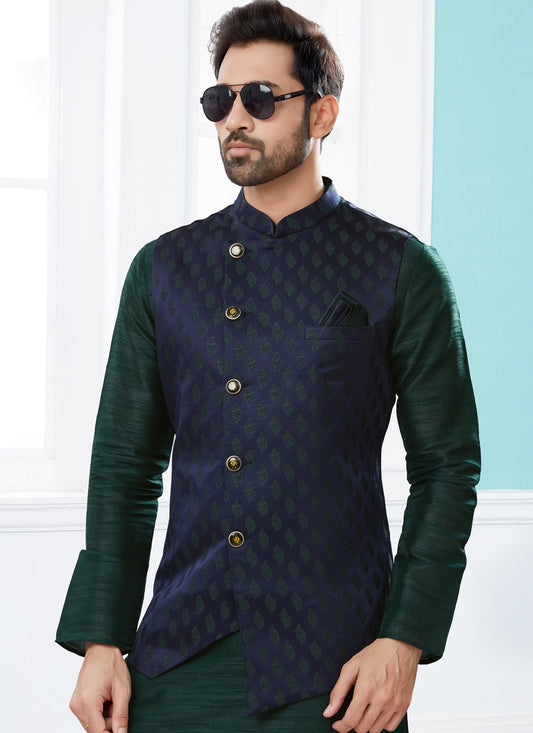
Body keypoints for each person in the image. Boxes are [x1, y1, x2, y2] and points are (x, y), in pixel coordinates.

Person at [56, 2, 480, 732]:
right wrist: (102, 641)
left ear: (322, 113)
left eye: (260, 98)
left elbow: (447, 466)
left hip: (339, 670)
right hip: (179, 655)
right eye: (219, 100)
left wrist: (404, 639)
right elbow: (125, 463)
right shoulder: (164, 270)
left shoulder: (399, 267)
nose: (234, 118)